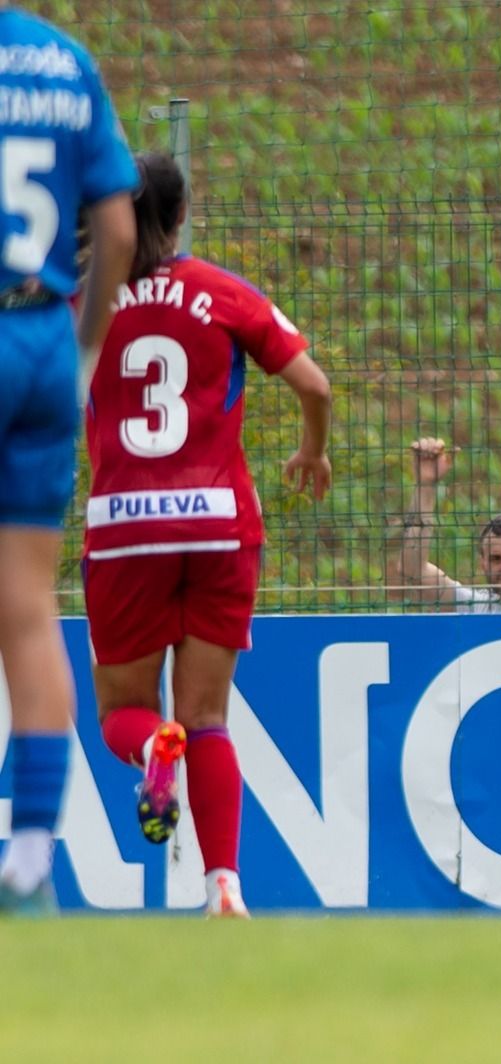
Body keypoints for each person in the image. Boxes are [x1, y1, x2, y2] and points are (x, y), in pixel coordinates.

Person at [82, 151, 332, 918]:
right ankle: (224, 885)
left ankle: (153, 746)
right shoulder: (222, 292)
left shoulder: (83, 303)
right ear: (183, 213)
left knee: (127, 710)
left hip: (125, 527)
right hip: (220, 523)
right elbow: (314, 384)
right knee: (210, 717)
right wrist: (310, 450)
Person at [0, 8, 137, 913]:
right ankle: (30, 865)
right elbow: (118, 235)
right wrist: (84, 357)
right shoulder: (62, 57)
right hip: (45, 332)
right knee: (27, 605)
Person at [389, 436, 501, 614]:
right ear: (482, 564)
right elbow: (413, 571)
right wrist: (426, 485)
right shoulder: (472, 607)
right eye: (496, 559)